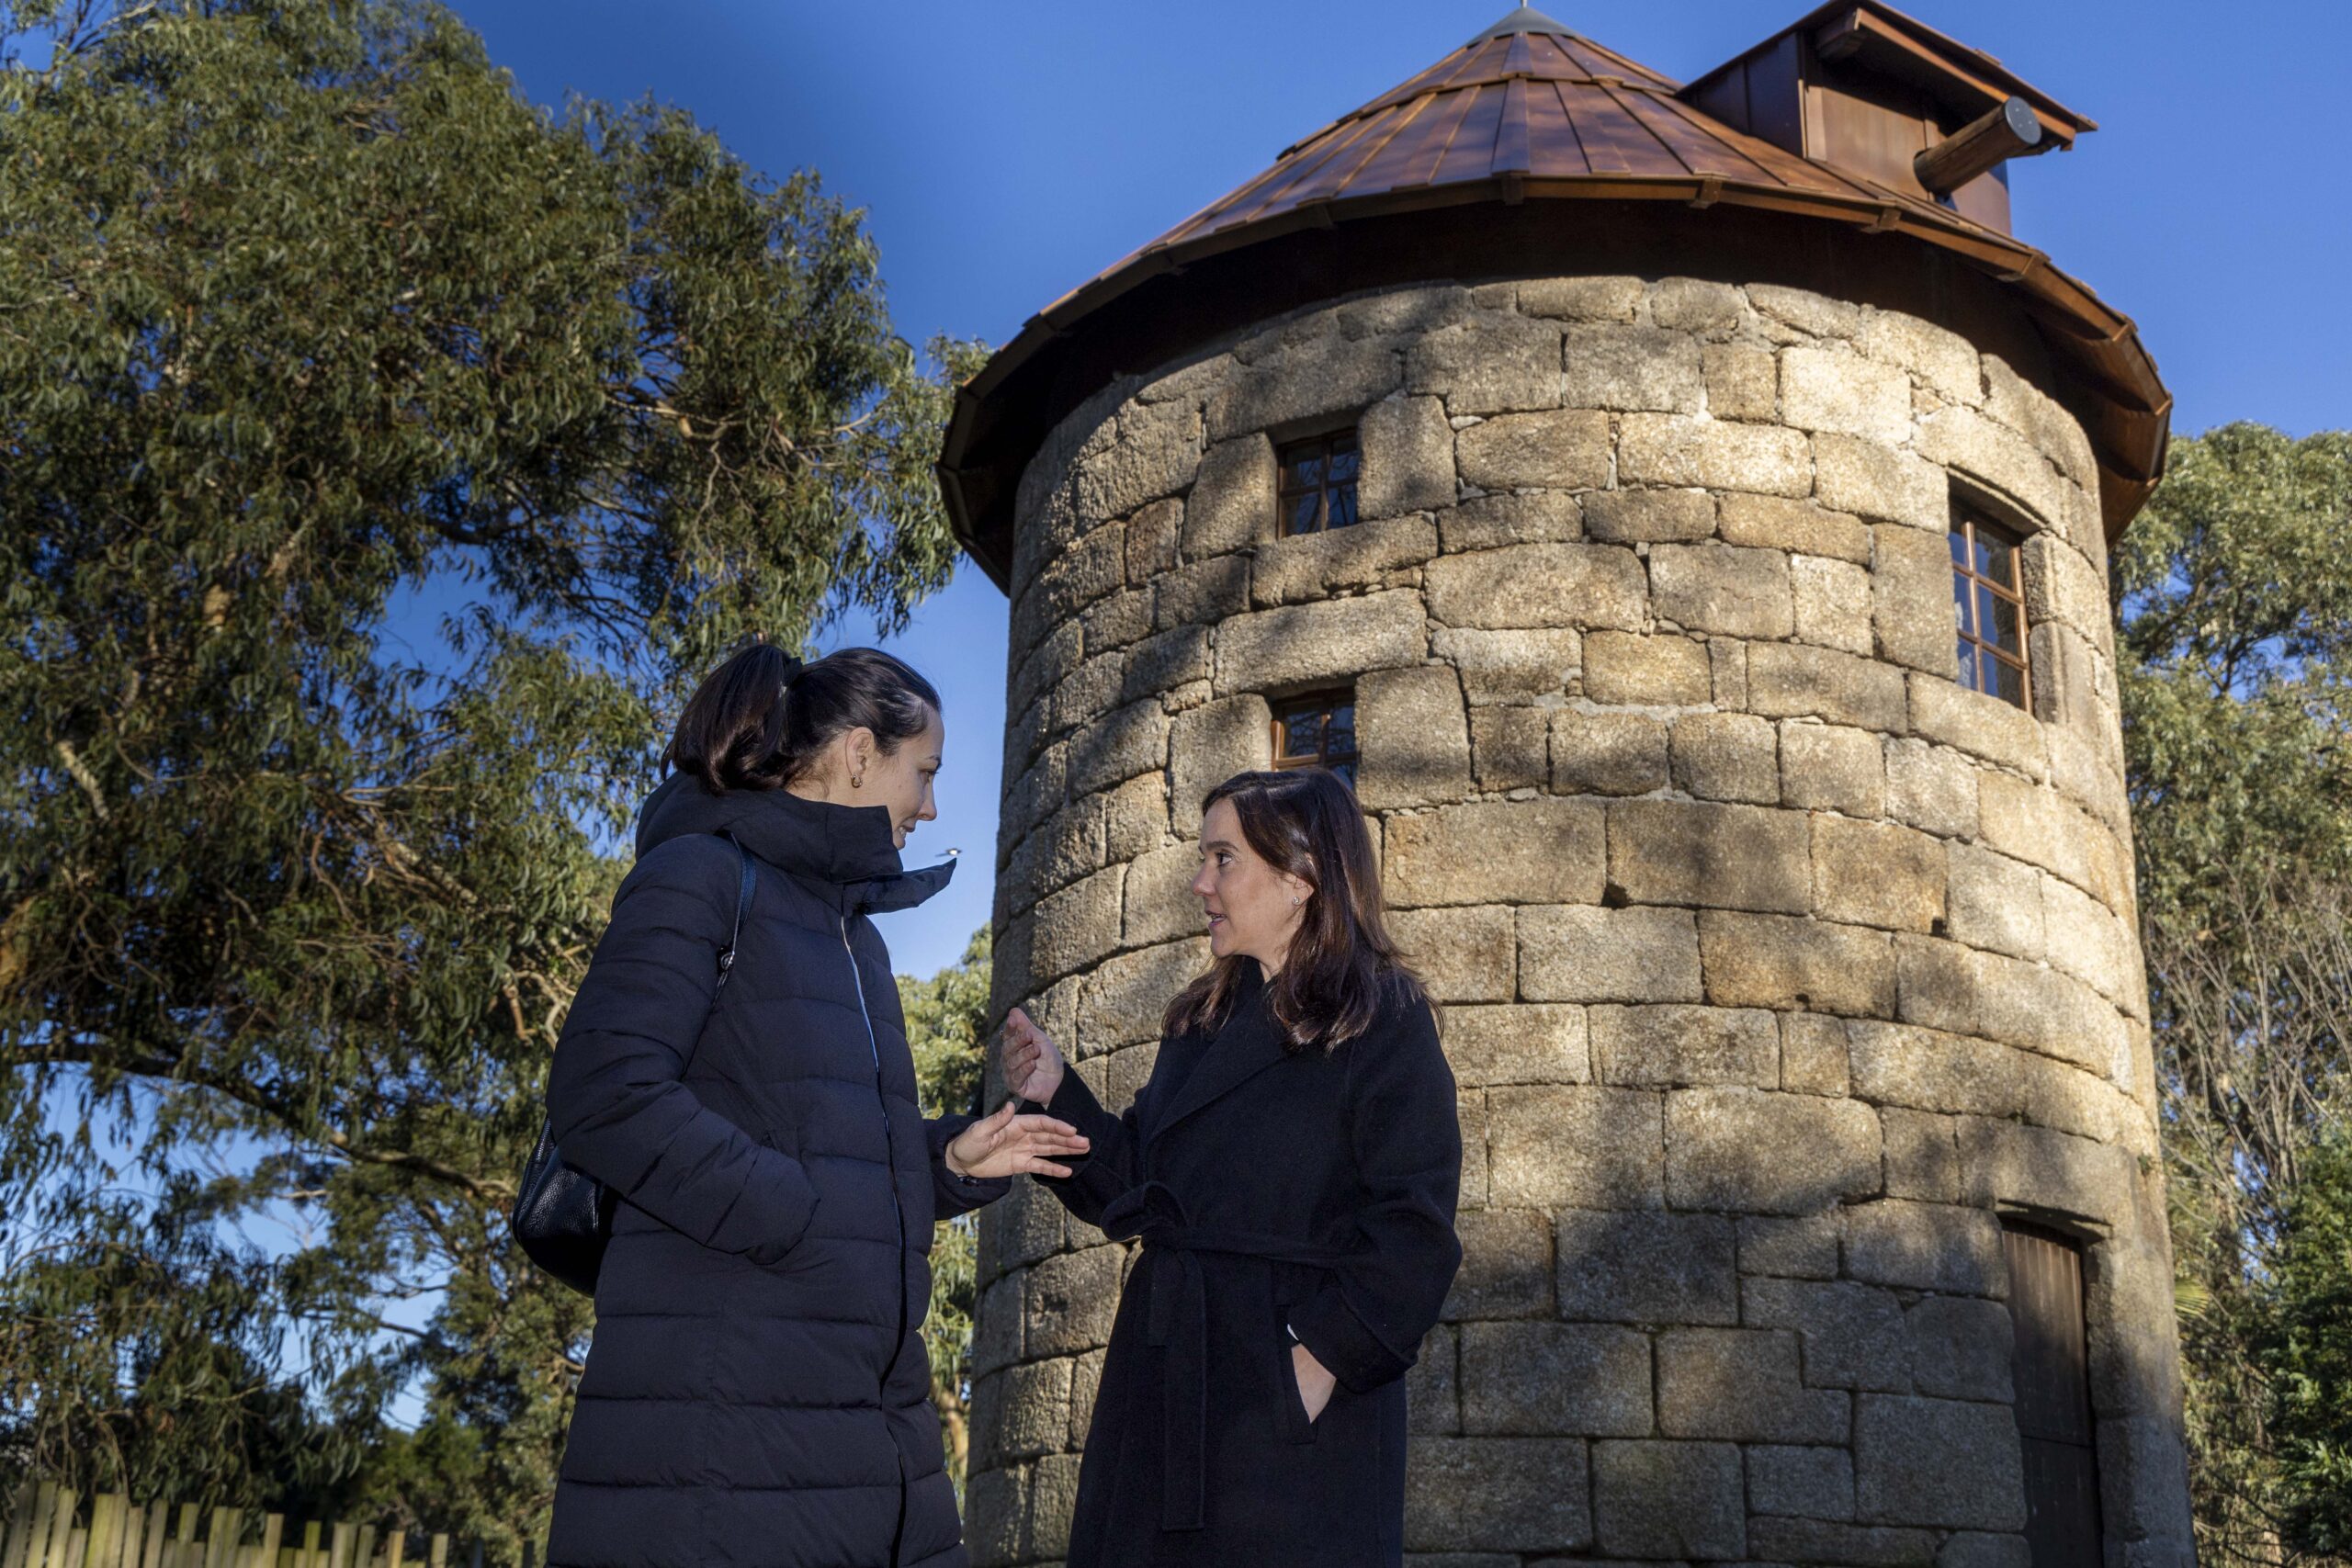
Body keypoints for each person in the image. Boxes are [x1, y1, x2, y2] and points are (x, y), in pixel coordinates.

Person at [544, 644, 1088, 1568]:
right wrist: (788, 1213)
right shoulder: (703, 878)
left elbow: (813, 1138)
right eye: (925, 773)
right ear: (856, 754)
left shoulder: (855, 941)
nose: (930, 806)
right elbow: (605, 1094)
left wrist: (948, 1162)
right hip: (726, 1434)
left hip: (865, 1427)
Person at [1001, 767, 1463, 1567]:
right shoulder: (1200, 1019)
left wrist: (1316, 1366)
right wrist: (1056, 1094)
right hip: (1164, 1377)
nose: (1199, 882)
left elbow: (1414, 1223)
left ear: (1299, 877)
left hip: (1287, 1403)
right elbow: (1141, 1184)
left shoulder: (1380, 1013)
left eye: (1223, 859)